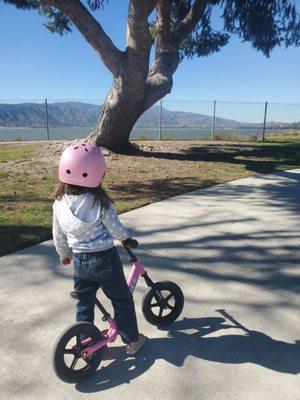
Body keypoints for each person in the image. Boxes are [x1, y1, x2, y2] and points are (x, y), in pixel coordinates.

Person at [52, 142, 145, 355]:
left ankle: (85, 341)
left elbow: (58, 234)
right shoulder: (99, 202)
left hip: (79, 261)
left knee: (84, 303)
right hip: (105, 260)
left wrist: (64, 253)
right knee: (121, 299)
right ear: (98, 173)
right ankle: (132, 340)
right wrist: (127, 238)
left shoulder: (59, 203)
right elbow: (114, 227)